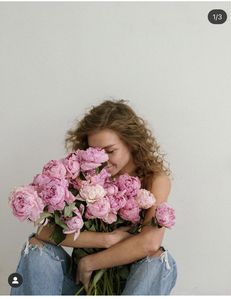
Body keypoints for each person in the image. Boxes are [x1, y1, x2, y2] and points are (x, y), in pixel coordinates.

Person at [11, 99, 177, 295]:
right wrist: (106, 239)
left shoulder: (154, 180)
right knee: (36, 251)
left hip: (130, 286)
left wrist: (90, 263)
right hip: (82, 285)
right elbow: (43, 232)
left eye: (110, 151)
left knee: (158, 261)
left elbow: (149, 243)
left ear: (131, 143)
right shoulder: (81, 177)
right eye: (95, 152)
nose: (102, 160)